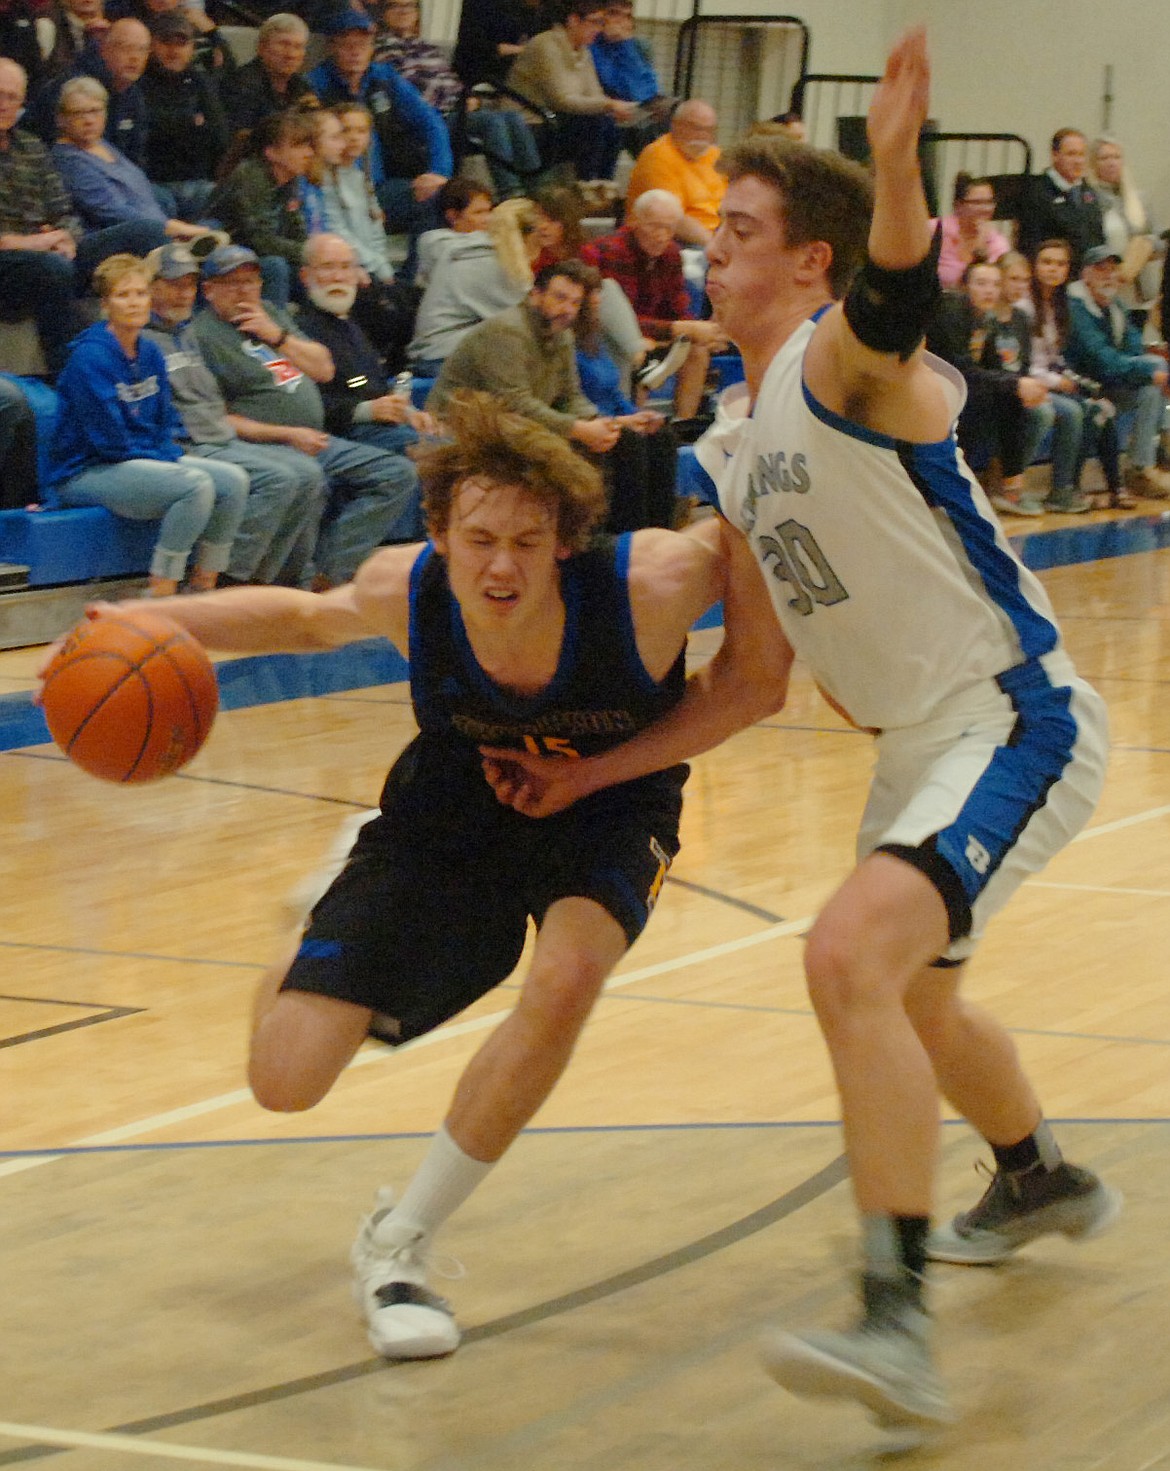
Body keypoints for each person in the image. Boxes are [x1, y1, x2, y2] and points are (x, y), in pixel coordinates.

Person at [482, 33, 1120, 1430]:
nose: (719, 249)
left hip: (1013, 713)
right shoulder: (730, 431)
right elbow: (749, 683)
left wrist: (896, 164)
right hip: (916, 738)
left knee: (846, 954)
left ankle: (894, 1326)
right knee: (917, 995)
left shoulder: (843, 368)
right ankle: (1035, 1173)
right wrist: (587, 766)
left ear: (810, 264)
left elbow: (898, 292)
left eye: (746, 231)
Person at [81, 388, 746, 1362]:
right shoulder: (410, 586)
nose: (502, 563)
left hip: (611, 799)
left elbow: (758, 547)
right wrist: (145, 621)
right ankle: (312, 913)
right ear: (439, 531)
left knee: (565, 979)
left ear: (566, 536)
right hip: (454, 801)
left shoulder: (650, 582)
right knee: (284, 1082)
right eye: (478, 538)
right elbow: (308, 618)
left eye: (528, 538)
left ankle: (401, 1241)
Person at [192, 242, 424, 584]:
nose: (244, 291)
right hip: (266, 445)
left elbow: (323, 368)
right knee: (307, 477)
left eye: (251, 282)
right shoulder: (203, 336)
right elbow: (216, 418)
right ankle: (243, 582)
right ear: (209, 290)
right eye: (231, 283)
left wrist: (276, 335)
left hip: (314, 438)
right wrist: (286, 434)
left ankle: (327, 576)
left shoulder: (271, 314)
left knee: (397, 474)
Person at [46, 252, 248, 596]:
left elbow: (163, 419)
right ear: (106, 304)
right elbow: (108, 441)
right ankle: (161, 591)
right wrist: (163, 457)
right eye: (123, 295)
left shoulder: (151, 351)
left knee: (234, 481)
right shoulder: (89, 357)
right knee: (195, 485)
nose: (135, 302)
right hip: (87, 471)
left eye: (140, 293)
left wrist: (163, 452)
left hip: (139, 458)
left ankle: (203, 586)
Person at [143, 241, 326, 588]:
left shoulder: (184, 336)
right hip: (186, 442)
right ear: (150, 287)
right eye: (173, 285)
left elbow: (327, 369)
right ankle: (226, 583)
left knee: (309, 474)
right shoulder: (150, 340)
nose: (184, 295)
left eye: (188, 285)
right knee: (281, 478)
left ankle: (263, 582)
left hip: (218, 437)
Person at [581, 188, 730, 420]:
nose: (661, 235)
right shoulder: (611, 251)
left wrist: (697, 331)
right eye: (654, 226)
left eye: (669, 228)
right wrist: (679, 329)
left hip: (654, 334)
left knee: (698, 349)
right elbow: (620, 321)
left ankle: (684, 423)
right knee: (643, 350)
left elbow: (678, 308)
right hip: (609, 338)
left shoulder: (671, 254)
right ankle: (635, 422)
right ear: (635, 221)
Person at [306, 7, 451, 246]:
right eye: (347, 45)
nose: (356, 52)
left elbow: (431, 122)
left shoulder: (384, 76)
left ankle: (412, 277)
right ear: (331, 47)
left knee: (441, 196)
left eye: (363, 45)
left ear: (372, 48)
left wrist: (438, 172)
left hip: (382, 186)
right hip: (339, 188)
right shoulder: (315, 84)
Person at [374, 0, 540, 201]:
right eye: (396, 6)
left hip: (454, 108)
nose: (404, 11)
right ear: (384, 14)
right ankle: (511, 194)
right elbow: (413, 89)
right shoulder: (383, 47)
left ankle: (535, 188)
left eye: (409, 6)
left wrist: (468, 98)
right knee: (492, 122)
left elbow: (449, 80)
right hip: (428, 117)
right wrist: (458, 101)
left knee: (513, 117)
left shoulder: (425, 46)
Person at [926, 259, 1049, 517]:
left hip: (962, 387)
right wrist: (1014, 383)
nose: (989, 290)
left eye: (995, 284)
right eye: (981, 284)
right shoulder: (952, 313)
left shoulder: (987, 319)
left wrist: (1021, 385)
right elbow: (959, 370)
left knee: (1010, 399)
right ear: (964, 286)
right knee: (982, 402)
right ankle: (954, 493)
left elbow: (994, 368)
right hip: (931, 386)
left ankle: (1010, 489)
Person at [297, 232, 436, 456]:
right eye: (327, 267)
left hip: (379, 427)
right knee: (439, 451)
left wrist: (410, 413)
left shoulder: (353, 324)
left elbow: (376, 386)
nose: (338, 277)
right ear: (305, 275)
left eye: (345, 267)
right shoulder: (299, 332)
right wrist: (366, 411)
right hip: (342, 433)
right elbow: (307, 406)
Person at [1022, 238, 1127, 511]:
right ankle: (1045, 487)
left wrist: (1072, 381)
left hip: (1051, 377)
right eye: (1046, 262)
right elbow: (1028, 364)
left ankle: (1070, 488)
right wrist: (1059, 382)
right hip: (1027, 381)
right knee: (1071, 411)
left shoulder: (1059, 306)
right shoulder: (1024, 306)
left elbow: (1055, 358)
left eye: (1060, 263)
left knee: (1098, 407)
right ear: (1034, 266)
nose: (1053, 269)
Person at [572, 268, 679, 530]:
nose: (598, 302)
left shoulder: (594, 340)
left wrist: (638, 414)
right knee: (628, 441)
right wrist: (621, 420)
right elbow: (573, 400)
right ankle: (631, 532)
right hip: (587, 422)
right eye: (592, 297)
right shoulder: (567, 344)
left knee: (661, 433)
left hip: (615, 416)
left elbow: (613, 392)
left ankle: (661, 529)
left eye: (598, 295)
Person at [1066, 243, 1170, 501]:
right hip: (1081, 383)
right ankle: (1164, 442)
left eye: (1113, 270)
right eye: (1101, 269)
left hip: (1111, 382)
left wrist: (1145, 371)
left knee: (1152, 387)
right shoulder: (1076, 307)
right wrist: (1146, 371)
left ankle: (1139, 468)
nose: (1109, 275)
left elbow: (1133, 350)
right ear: (1086, 275)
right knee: (1155, 371)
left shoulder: (1117, 307)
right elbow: (1101, 359)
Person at [51, 75, 205, 247]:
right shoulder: (68, 159)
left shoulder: (102, 145)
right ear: (61, 119)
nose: (89, 120)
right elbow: (112, 212)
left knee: (219, 216)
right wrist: (175, 228)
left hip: (159, 228)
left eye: (95, 111)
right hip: (125, 238)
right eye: (78, 113)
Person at [407, 195, 544, 376]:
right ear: (531, 236)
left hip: (437, 353)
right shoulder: (495, 264)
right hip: (442, 359)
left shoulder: (470, 250)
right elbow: (531, 322)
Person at [506, 1, 634, 183]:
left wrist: (614, 108)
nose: (599, 29)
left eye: (601, 23)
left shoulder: (583, 51)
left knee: (613, 123)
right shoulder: (546, 44)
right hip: (532, 118)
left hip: (560, 117)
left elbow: (595, 95)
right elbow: (561, 99)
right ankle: (588, 185)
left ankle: (604, 185)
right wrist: (609, 104)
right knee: (596, 123)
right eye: (595, 22)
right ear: (573, 20)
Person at [206, 108, 315, 308]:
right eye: (299, 146)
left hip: (259, 253)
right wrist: (311, 252)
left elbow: (296, 231)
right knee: (276, 266)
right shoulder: (251, 177)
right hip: (230, 256)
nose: (309, 153)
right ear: (271, 152)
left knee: (322, 270)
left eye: (309, 146)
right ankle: (273, 327)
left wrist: (315, 255)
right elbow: (260, 241)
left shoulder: (290, 180)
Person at [138, 11, 230, 221]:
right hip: (153, 182)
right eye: (166, 42)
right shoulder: (139, 80)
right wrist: (191, 122)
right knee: (162, 208)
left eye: (181, 43)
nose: (173, 50)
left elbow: (220, 136)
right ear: (152, 45)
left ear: (191, 47)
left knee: (221, 210)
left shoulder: (200, 80)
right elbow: (146, 134)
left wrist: (170, 123)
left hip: (198, 181)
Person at [624, 98, 725, 248]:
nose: (703, 135)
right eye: (696, 128)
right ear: (675, 125)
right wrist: (716, 247)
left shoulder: (715, 155)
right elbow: (674, 219)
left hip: (714, 234)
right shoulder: (658, 155)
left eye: (709, 130)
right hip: (671, 237)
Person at [1087, 136, 1163, 319]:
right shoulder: (1087, 199)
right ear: (1093, 163)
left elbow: (1161, 241)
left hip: (1136, 295)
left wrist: (1146, 245)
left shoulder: (1139, 200)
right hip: (1100, 294)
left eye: (1116, 157)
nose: (1111, 163)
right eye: (1104, 158)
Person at [1016, 127, 1104, 268]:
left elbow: (1098, 237)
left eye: (1081, 155)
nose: (1078, 161)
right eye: (1071, 154)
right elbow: (1030, 243)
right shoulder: (1036, 192)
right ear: (1055, 155)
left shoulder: (1088, 192)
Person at [222, 13, 316, 136]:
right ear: (261, 47)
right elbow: (242, 139)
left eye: (298, 47)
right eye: (283, 44)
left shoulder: (302, 86)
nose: (291, 55)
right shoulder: (239, 84)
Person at [932, 172, 1010, 288]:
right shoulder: (934, 230)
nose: (985, 209)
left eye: (989, 202)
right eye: (977, 203)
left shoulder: (998, 242)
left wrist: (981, 245)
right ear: (958, 205)